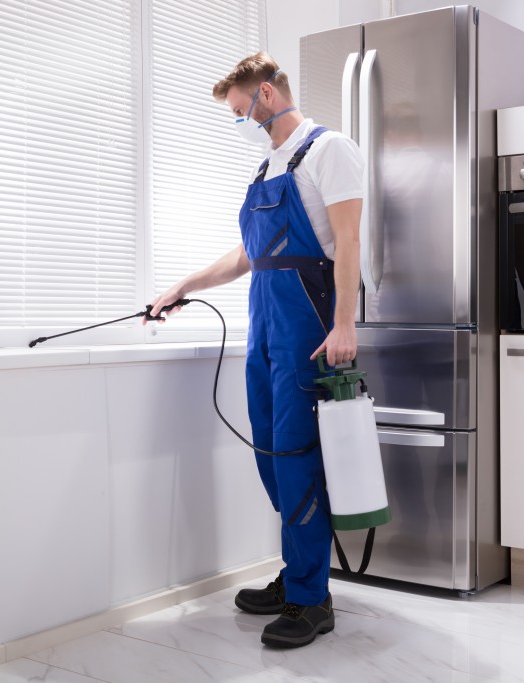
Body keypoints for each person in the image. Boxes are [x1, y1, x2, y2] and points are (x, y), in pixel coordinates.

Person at [147, 52, 363, 648]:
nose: (240, 122)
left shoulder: (329, 150)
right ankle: (298, 571)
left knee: (297, 455)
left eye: (241, 111)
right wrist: (182, 285)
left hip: (308, 329)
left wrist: (345, 324)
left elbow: (348, 241)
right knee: (270, 452)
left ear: (266, 94)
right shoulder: (267, 167)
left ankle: (311, 599)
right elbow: (248, 256)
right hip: (264, 328)